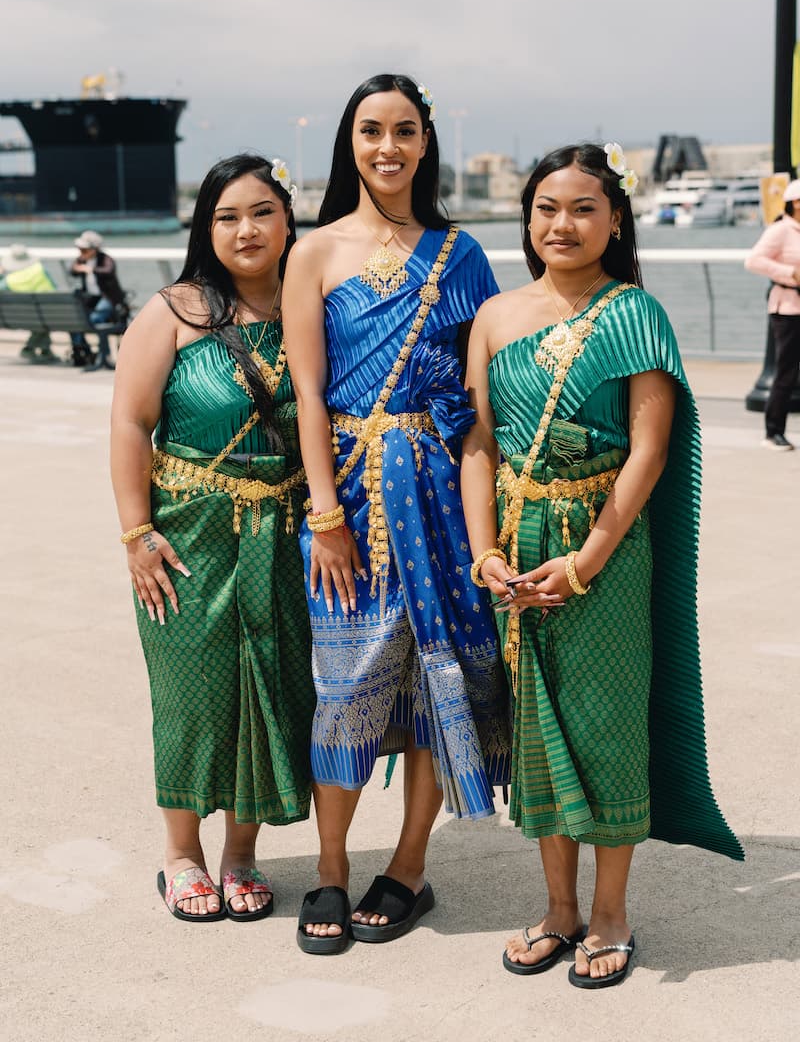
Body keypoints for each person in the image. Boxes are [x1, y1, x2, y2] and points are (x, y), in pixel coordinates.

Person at [461, 142, 742, 989]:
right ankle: (559, 908)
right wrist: (484, 549)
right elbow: (477, 442)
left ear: (614, 220)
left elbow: (648, 453)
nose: (563, 224)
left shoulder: (634, 315)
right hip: (515, 549)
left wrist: (586, 561)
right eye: (546, 207)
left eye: (583, 208)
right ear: (528, 218)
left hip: (604, 552)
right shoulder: (496, 317)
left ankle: (612, 911)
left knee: (607, 725)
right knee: (538, 731)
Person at [282, 74, 510, 954]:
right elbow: (308, 393)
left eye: (404, 131)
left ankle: (409, 865)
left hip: (447, 495)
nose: (388, 147)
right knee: (344, 686)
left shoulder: (464, 253)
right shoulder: (316, 252)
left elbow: (488, 392)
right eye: (371, 131)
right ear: (350, 142)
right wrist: (327, 510)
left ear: (426, 142)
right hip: (350, 491)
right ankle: (331, 868)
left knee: (432, 681)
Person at [110, 153, 315, 922]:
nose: (246, 229)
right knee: (193, 694)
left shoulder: (312, 308)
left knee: (271, 689)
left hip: (287, 533)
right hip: (188, 537)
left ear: (288, 219)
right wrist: (136, 534)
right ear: (205, 229)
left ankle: (241, 853)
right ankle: (181, 854)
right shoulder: (173, 311)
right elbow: (130, 423)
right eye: (226, 216)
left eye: (261, 211)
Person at [744, 179, 800, 450]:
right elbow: (753, 260)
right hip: (787, 309)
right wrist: (790, 273)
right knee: (786, 372)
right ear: (796, 202)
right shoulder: (780, 231)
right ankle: (773, 431)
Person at [70, 230, 129, 370]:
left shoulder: (105, 259)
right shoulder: (82, 259)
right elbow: (72, 270)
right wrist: (80, 267)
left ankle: (102, 355)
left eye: (84, 249)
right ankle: (85, 352)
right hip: (92, 299)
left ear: (94, 249)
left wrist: (90, 269)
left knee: (94, 319)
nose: (81, 252)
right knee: (77, 321)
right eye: (80, 249)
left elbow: (108, 270)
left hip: (108, 298)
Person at [0, 242, 59, 362]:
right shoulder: (40, 271)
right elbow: (54, 289)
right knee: (42, 319)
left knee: (39, 320)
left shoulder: (10, 280)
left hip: (19, 318)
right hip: (48, 316)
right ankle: (42, 350)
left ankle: (32, 349)